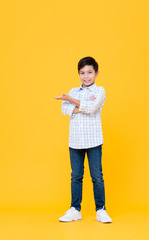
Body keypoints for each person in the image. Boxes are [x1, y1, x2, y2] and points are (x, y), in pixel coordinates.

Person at [53, 56, 112, 223]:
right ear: (78, 74)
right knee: (76, 176)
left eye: (89, 72)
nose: (86, 76)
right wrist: (79, 105)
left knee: (97, 176)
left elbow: (92, 107)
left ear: (96, 73)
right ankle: (75, 209)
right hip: (75, 141)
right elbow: (65, 109)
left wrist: (72, 102)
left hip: (93, 140)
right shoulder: (74, 90)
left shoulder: (100, 90)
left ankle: (101, 209)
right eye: (82, 73)